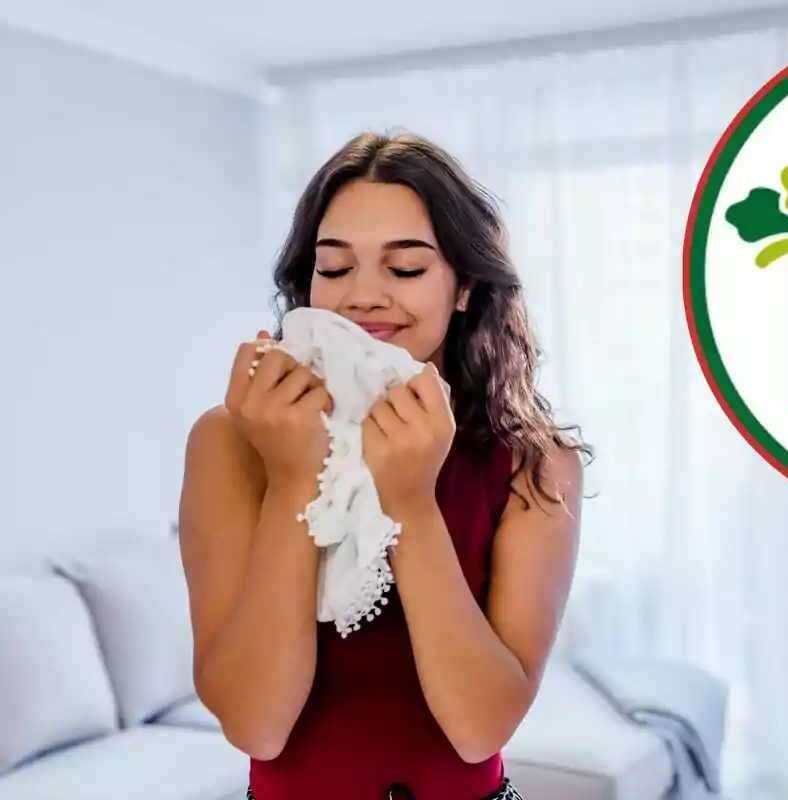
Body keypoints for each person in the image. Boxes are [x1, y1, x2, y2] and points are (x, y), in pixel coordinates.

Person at [177, 131, 590, 800]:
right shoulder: (230, 442)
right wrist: (291, 480)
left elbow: (481, 727)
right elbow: (256, 726)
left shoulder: (535, 465)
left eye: (404, 269)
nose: (363, 296)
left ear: (462, 288)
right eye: (335, 269)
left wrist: (411, 504)